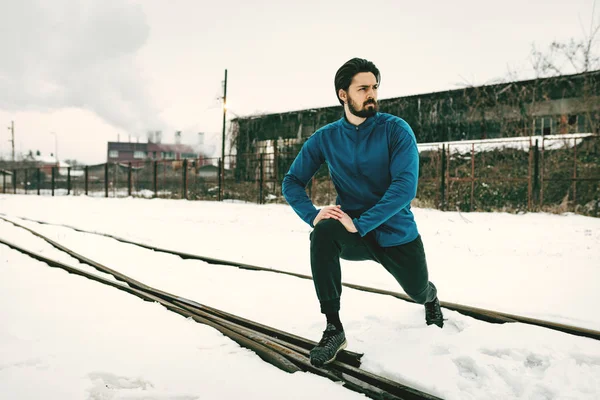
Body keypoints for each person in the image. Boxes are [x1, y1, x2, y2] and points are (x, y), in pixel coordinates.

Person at [282, 57, 444, 368]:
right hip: (351, 231)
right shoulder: (326, 137)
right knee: (323, 233)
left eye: (374, 87)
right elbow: (292, 181)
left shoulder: (396, 130)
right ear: (343, 94)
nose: (371, 94)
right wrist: (312, 214)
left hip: (395, 233)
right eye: (363, 88)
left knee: (417, 289)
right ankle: (333, 328)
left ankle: (431, 298)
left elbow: (404, 188)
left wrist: (363, 223)